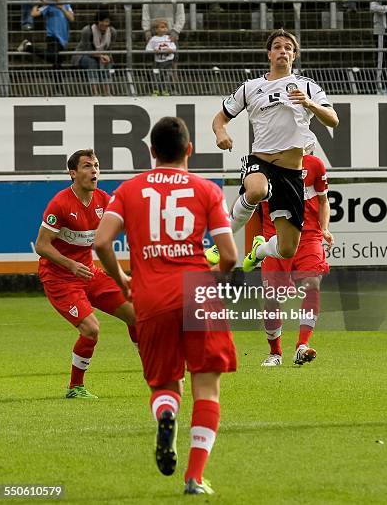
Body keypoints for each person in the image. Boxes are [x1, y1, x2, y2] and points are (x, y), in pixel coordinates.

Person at [94, 117, 237, 496]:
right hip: (198, 294)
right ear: (189, 150)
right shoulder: (206, 190)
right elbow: (229, 255)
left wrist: (122, 278)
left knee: (164, 382)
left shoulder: (129, 190)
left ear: (152, 152)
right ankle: (194, 477)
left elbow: (101, 242)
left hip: (151, 296)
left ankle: (166, 414)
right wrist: (214, 280)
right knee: (206, 387)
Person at [209, 28, 338, 272]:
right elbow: (220, 119)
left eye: (288, 48)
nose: (282, 51)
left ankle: (259, 250)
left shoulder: (307, 87)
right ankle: (222, 240)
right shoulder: (250, 87)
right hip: (261, 161)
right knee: (257, 190)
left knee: (287, 248)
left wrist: (309, 104)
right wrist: (221, 133)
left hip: (291, 172)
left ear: (294, 56)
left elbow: (333, 120)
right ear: (269, 54)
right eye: (277, 47)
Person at [34, 149, 137, 399]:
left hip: (88, 273)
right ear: (73, 173)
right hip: (59, 279)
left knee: (137, 314)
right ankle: (75, 387)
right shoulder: (60, 204)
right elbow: (41, 245)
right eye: (88, 166)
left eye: (97, 166)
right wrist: (69, 265)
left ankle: (154, 366)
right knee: (91, 329)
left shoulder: (104, 200)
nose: (95, 171)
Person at [259, 153, 333, 366]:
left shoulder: (315, 164)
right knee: (273, 297)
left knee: (312, 283)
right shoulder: (263, 163)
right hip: (275, 238)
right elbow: (254, 209)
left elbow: (323, 200)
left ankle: (302, 345)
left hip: (309, 236)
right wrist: (257, 246)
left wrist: (325, 228)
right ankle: (275, 353)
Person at [17, 0, 74, 72]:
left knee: (57, 65)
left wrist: (62, 8)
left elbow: (71, 18)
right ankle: (28, 47)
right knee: (53, 57)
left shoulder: (66, 5)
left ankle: (59, 86)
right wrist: (37, 3)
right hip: (52, 37)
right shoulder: (48, 6)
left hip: (63, 38)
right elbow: (33, 13)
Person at [72, 7, 117, 96]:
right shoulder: (87, 31)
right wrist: (100, 56)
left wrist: (107, 56)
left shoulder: (112, 32)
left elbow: (109, 49)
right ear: (97, 21)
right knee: (92, 63)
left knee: (107, 62)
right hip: (83, 55)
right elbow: (87, 50)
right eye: (102, 21)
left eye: (107, 21)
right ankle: (95, 93)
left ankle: (107, 92)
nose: (104, 24)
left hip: (101, 55)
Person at [145, 18, 177, 96]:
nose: (165, 29)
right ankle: (156, 91)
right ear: (156, 29)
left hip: (168, 61)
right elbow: (147, 49)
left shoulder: (169, 38)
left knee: (166, 76)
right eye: (162, 27)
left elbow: (174, 48)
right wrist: (154, 51)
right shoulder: (153, 39)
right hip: (157, 62)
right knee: (156, 77)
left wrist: (170, 50)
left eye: (166, 27)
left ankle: (166, 90)